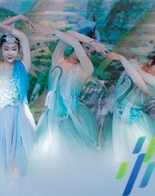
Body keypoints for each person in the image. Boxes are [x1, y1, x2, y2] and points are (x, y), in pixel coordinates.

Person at [29, 21, 107, 166]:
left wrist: (54, 31)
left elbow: (75, 42)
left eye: (92, 52)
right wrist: (92, 42)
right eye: (87, 48)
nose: (88, 53)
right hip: (50, 119)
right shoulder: (57, 59)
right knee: (49, 161)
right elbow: (70, 34)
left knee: (72, 162)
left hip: (71, 119)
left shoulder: (86, 69)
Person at [0, 14, 36, 176]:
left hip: (17, 118)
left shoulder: (22, 66)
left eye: (14, 49)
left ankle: (15, 184)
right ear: (0, 49)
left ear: (19, 50)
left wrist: (14, 19)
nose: (10, 53)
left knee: (15, 159)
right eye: (6, 49)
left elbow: (23, 37)